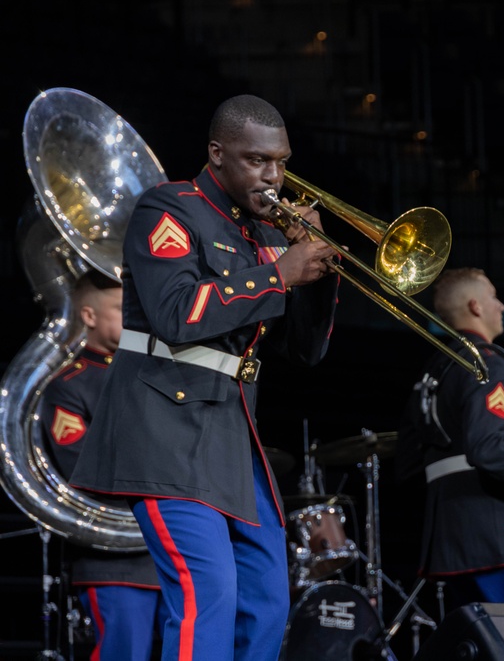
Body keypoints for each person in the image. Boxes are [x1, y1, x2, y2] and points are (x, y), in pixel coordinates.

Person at [70, 94, 340, 661]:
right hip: (164, 429)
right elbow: (175, 313)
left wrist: (319, 272)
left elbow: (305, 352)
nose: (274, 176)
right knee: (206, 593)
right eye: (256, 160)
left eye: (281, 161)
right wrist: (277, 274)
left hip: (230, 435)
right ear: (217, 154)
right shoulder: (168, 209)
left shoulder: (265, 233)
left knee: (267, 600)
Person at [396, 268, 504, 613]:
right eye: (493, 297)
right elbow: (485, 449)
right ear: (475, 306)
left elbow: (407, 462)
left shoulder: (431, 371)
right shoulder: (487, 362)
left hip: (446, 540)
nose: (502, 306)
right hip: (495, 536)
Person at [38, 270, 166, 659]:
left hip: (169, 551)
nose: (133, 315)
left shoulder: (153, 370)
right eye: (119, 308)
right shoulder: (68, 383)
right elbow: (81, 467)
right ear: (89, 316)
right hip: (115, 562)